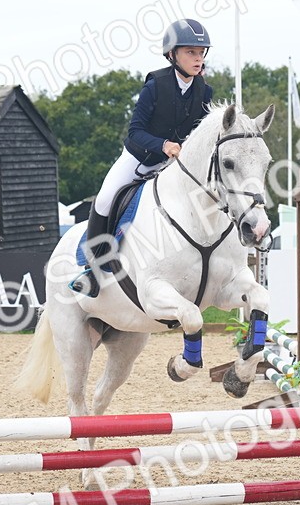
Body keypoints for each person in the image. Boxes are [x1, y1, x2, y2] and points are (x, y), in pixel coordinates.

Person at [71, 18, 215, 297]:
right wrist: (164, 145)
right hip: (139, 158)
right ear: (172, 54)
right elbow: (135, 131)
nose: (198, 59)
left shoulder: (204, 91)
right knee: (104, 198)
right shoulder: (155, 85)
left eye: (201, 53)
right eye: (190, 52)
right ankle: (92, 269)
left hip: (174, 166)